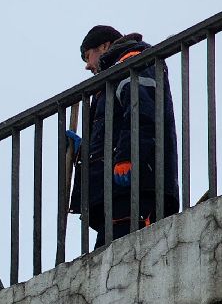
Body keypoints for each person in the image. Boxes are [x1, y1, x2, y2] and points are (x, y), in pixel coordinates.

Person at [67, 25, 180, 247]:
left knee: (125, 264)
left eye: (88, 56)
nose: (88, 65)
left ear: (104, 46)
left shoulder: (132, 62)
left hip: (137, 188)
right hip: (118, 192)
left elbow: (142, 112)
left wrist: (129, 156)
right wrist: (84, 152)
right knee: (108, 266)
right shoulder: (110, 79)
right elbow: (114, 132)